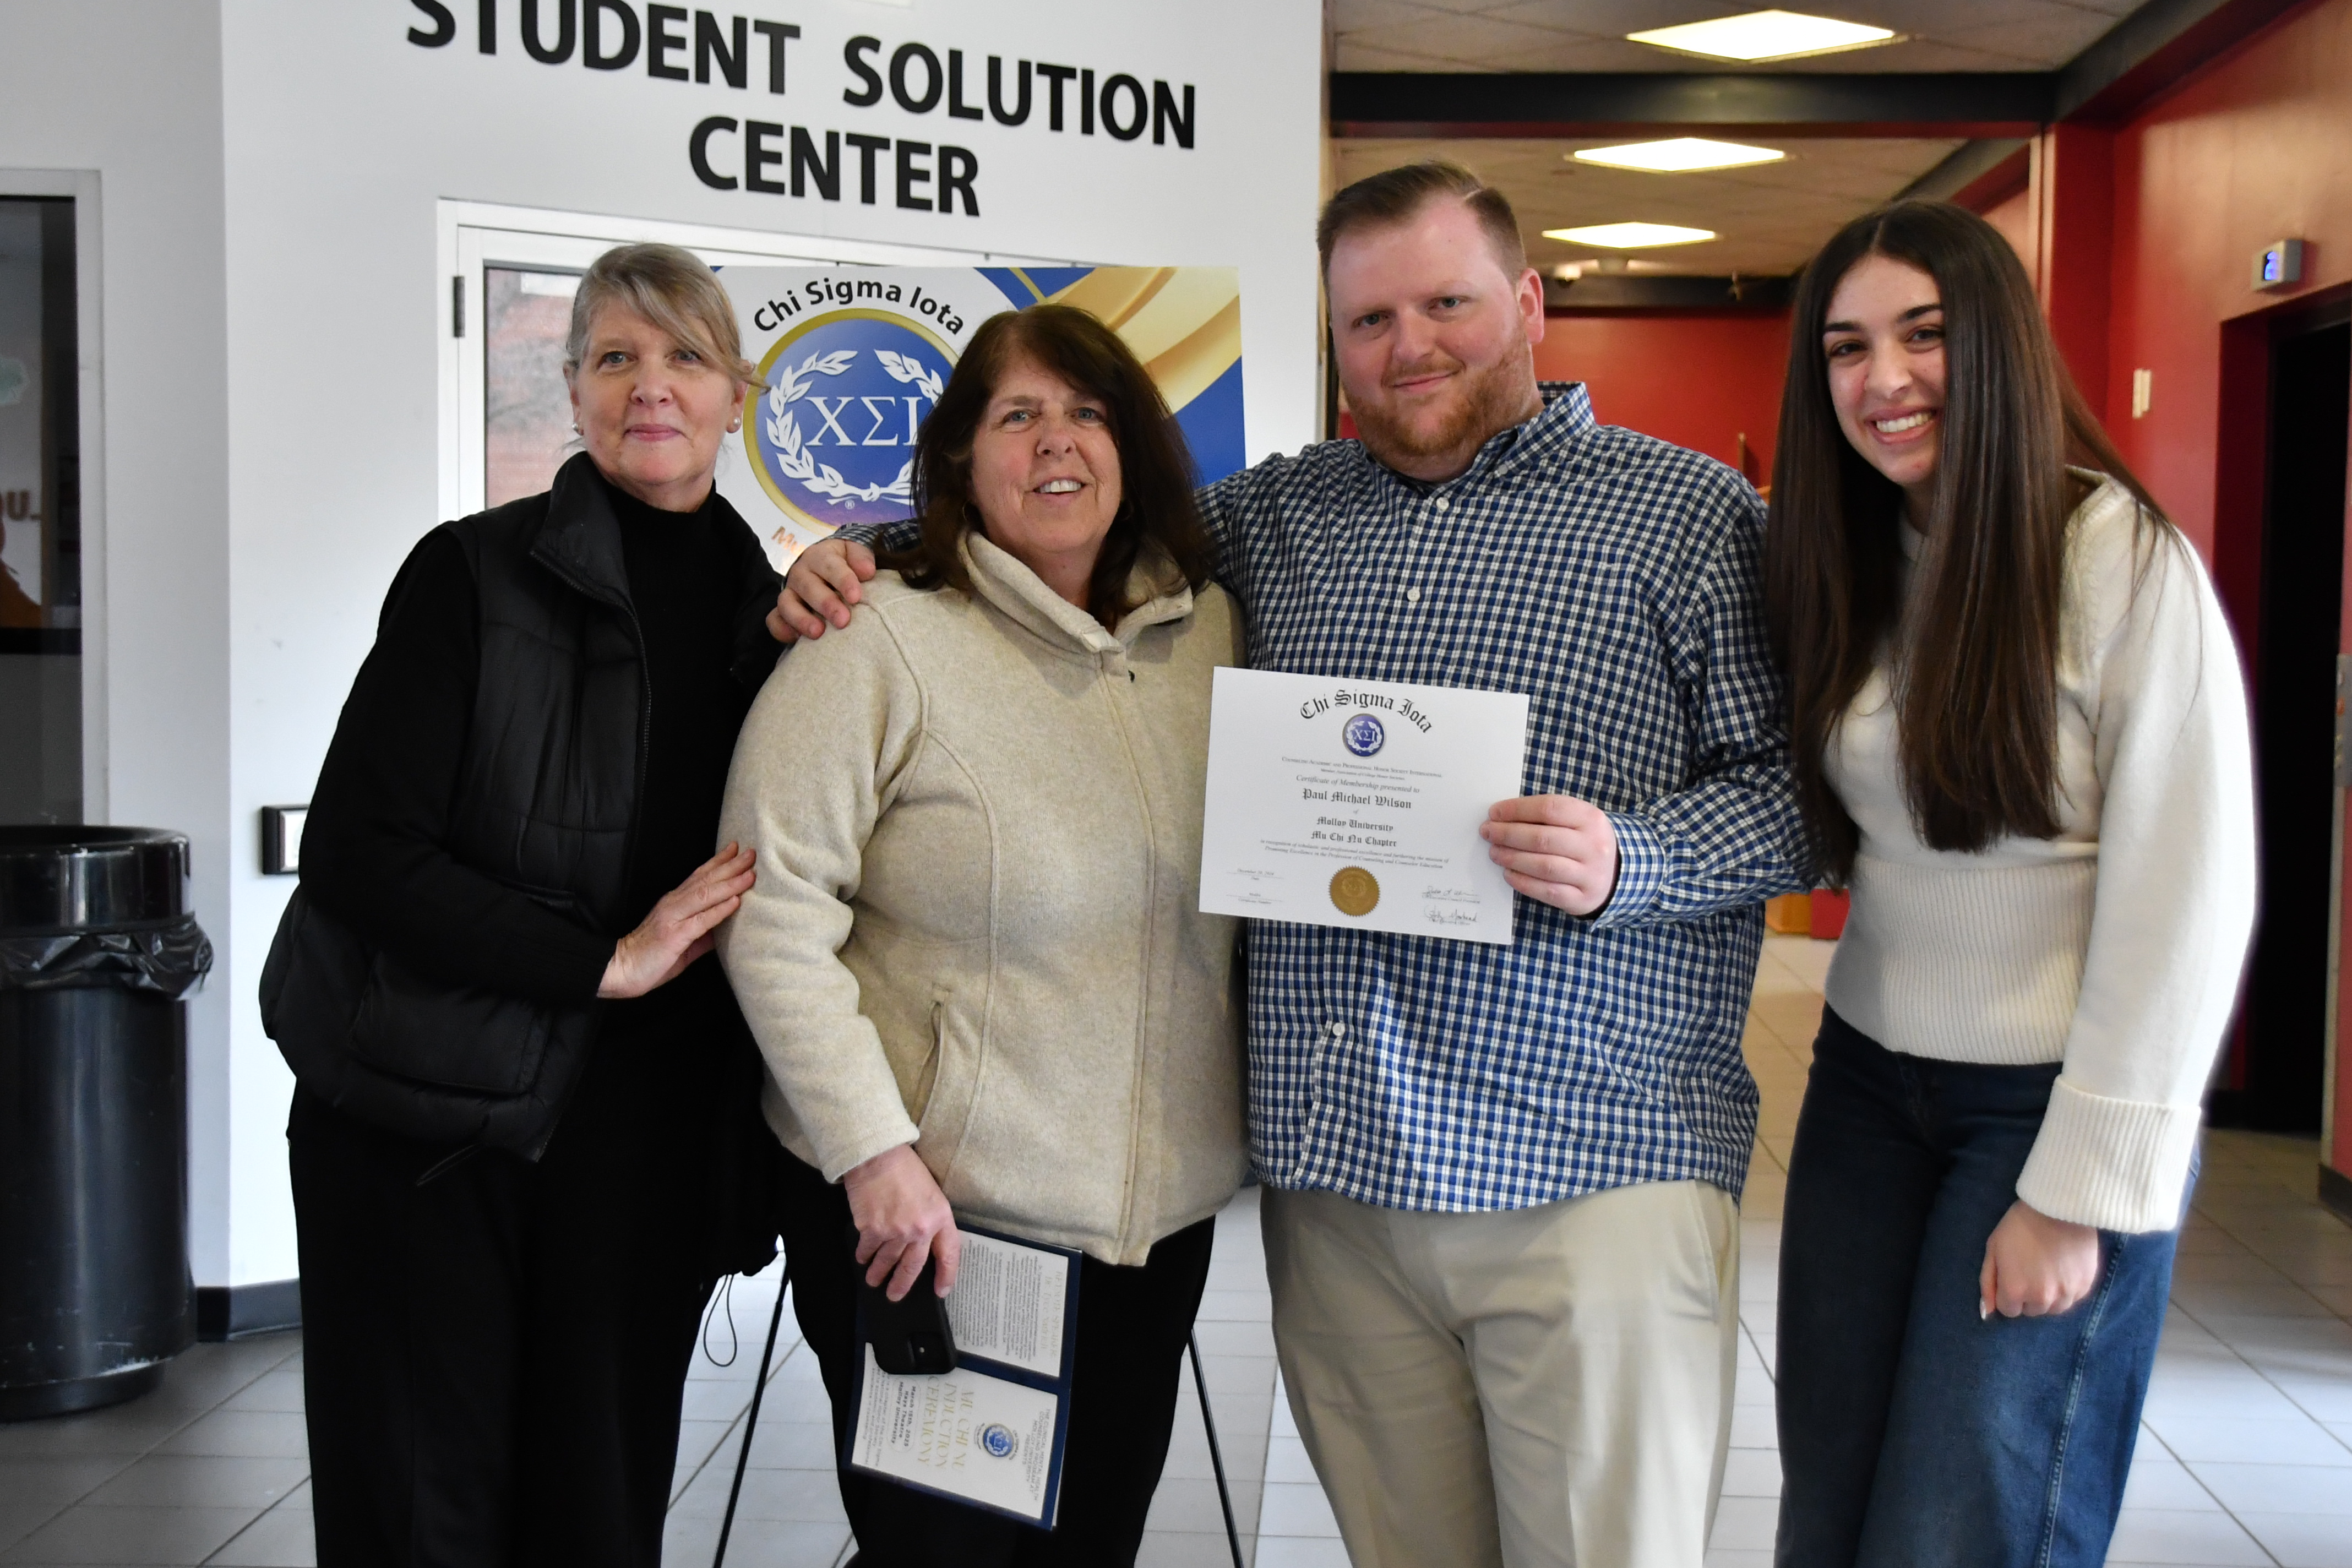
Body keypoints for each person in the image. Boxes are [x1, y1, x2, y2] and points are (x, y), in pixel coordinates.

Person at [775, 162, 1808, 1568]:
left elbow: (1801, 796)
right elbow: (1068, 532)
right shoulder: (1282, 516)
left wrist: (1638, 852)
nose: (1410, 346)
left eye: (1446, 303)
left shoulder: (1689, 520)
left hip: (1593, 1165)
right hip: (1344, 1179)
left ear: (1528, 301)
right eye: (1370, 320)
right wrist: (859, 552)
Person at [263, 242, 788, 1567]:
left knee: (596, 1512)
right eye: (615, 355)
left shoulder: (776, 620)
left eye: (684, 356)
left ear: (740, 392)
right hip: (427, 1129)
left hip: (644, 1150)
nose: (650, 386)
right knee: (421, 1518)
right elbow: (360, 851)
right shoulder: (474, 576)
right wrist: (600, 959)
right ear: (572, 392)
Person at [1761, 200, 2256, 1567]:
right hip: (1868, 1085)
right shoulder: (1851, 561)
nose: (1884, 379)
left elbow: (2189, 903)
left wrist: (2079, 1188)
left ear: (1999, 345)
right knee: (1833, 1507)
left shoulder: (2122, 560)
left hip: (2042, 1108)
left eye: (1925, 336)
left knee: (1961, 1527)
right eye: (1848, 350)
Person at [714, 302, 1246, 1566]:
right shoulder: (876, 636)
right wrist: (873, 1151)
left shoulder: (1213, 634)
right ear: (960, 456)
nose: (1056, 442)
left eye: (1087, 411)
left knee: (1093, 1545)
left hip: (1148, 1235)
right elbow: (772, 908)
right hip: (940, 1223)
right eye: (1018, 414)